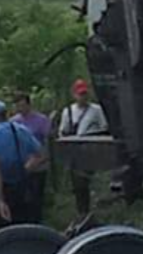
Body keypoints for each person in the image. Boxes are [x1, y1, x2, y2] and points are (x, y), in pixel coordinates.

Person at [58, 79, 109, 219]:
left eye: (85, 93)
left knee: (85, 179)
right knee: (78, 182)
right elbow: (63, 131)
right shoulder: (68, 111)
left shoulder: (96, 110)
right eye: (80, 94)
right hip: (75, 150)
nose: (83, 97)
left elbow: (104, 127)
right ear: (74, 95)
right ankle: (82, 211)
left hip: (91, 148)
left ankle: (88, 209)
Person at [0, 102, 47, 225]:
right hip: (22, 183)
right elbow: (41, 155)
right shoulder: (20, 129)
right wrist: (26, 169)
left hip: (4, 189)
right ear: (6, 114)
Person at [9, 93, 51, 216]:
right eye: (17, 106)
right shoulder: (13, 122)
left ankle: (38, 220)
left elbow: (47, 142)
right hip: (21, 164)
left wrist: (41, 158)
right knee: (21, 197)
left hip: (39, 163)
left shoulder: (41, 120)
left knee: (36, 196)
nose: (20, 108)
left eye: (22, 105)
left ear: (28, 105)